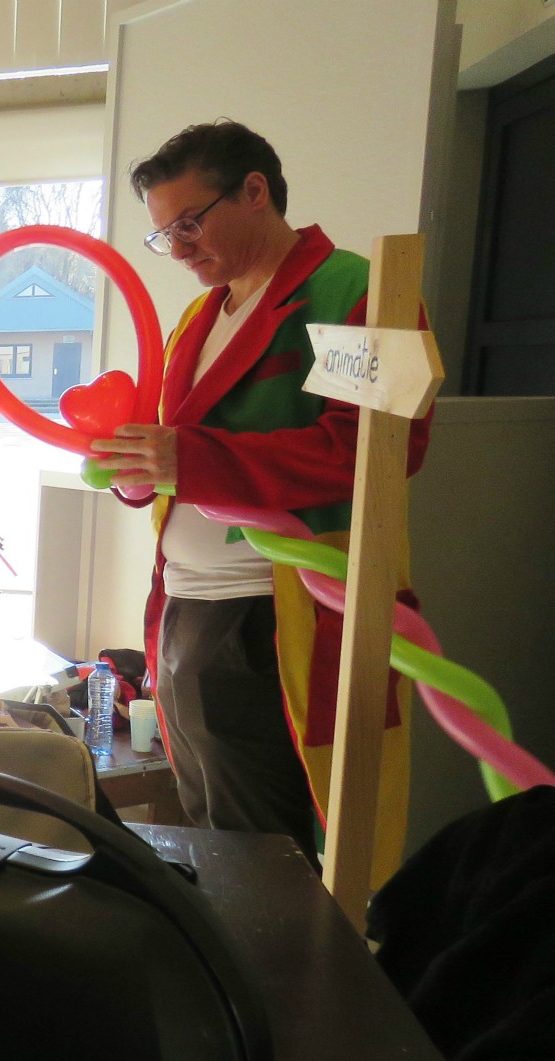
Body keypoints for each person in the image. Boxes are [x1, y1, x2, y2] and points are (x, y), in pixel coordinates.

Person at [94, 120, 430, 867]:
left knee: (260, 854)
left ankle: (275, 983)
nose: (177, 248)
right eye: (163, 235)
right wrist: (139, 468)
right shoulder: (199, 317)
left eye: (188, 223)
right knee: (208, 832)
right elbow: (180, 457)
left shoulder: (354, 290)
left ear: (254, 192)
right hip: (184, 608)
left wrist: (195, 459)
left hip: (272, 617)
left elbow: (378, 448)